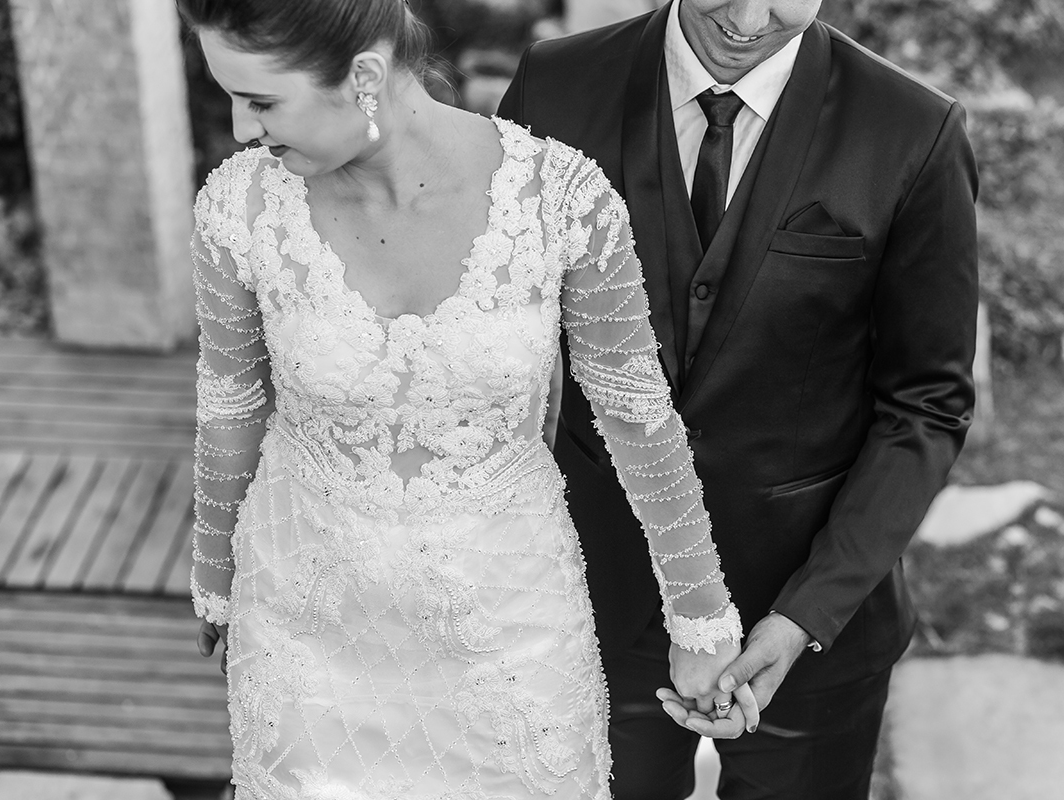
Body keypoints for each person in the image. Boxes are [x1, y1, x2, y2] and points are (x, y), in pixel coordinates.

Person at [182, 0, 753, 796]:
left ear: (364, 76)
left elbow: (637, 416)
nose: (243, 128)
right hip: (306, 626)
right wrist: (215, 578)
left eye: (262, 101)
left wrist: (700, 617)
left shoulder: (562, 199)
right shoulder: (239, 206)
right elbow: (232, 406)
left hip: (509, 629)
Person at [498, 0, 979, 797]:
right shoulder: (556, 84)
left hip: (802, 622)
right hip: (590, 600)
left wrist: (804, 617)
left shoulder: (914, 131)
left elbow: (925, 404)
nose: (749, 19)